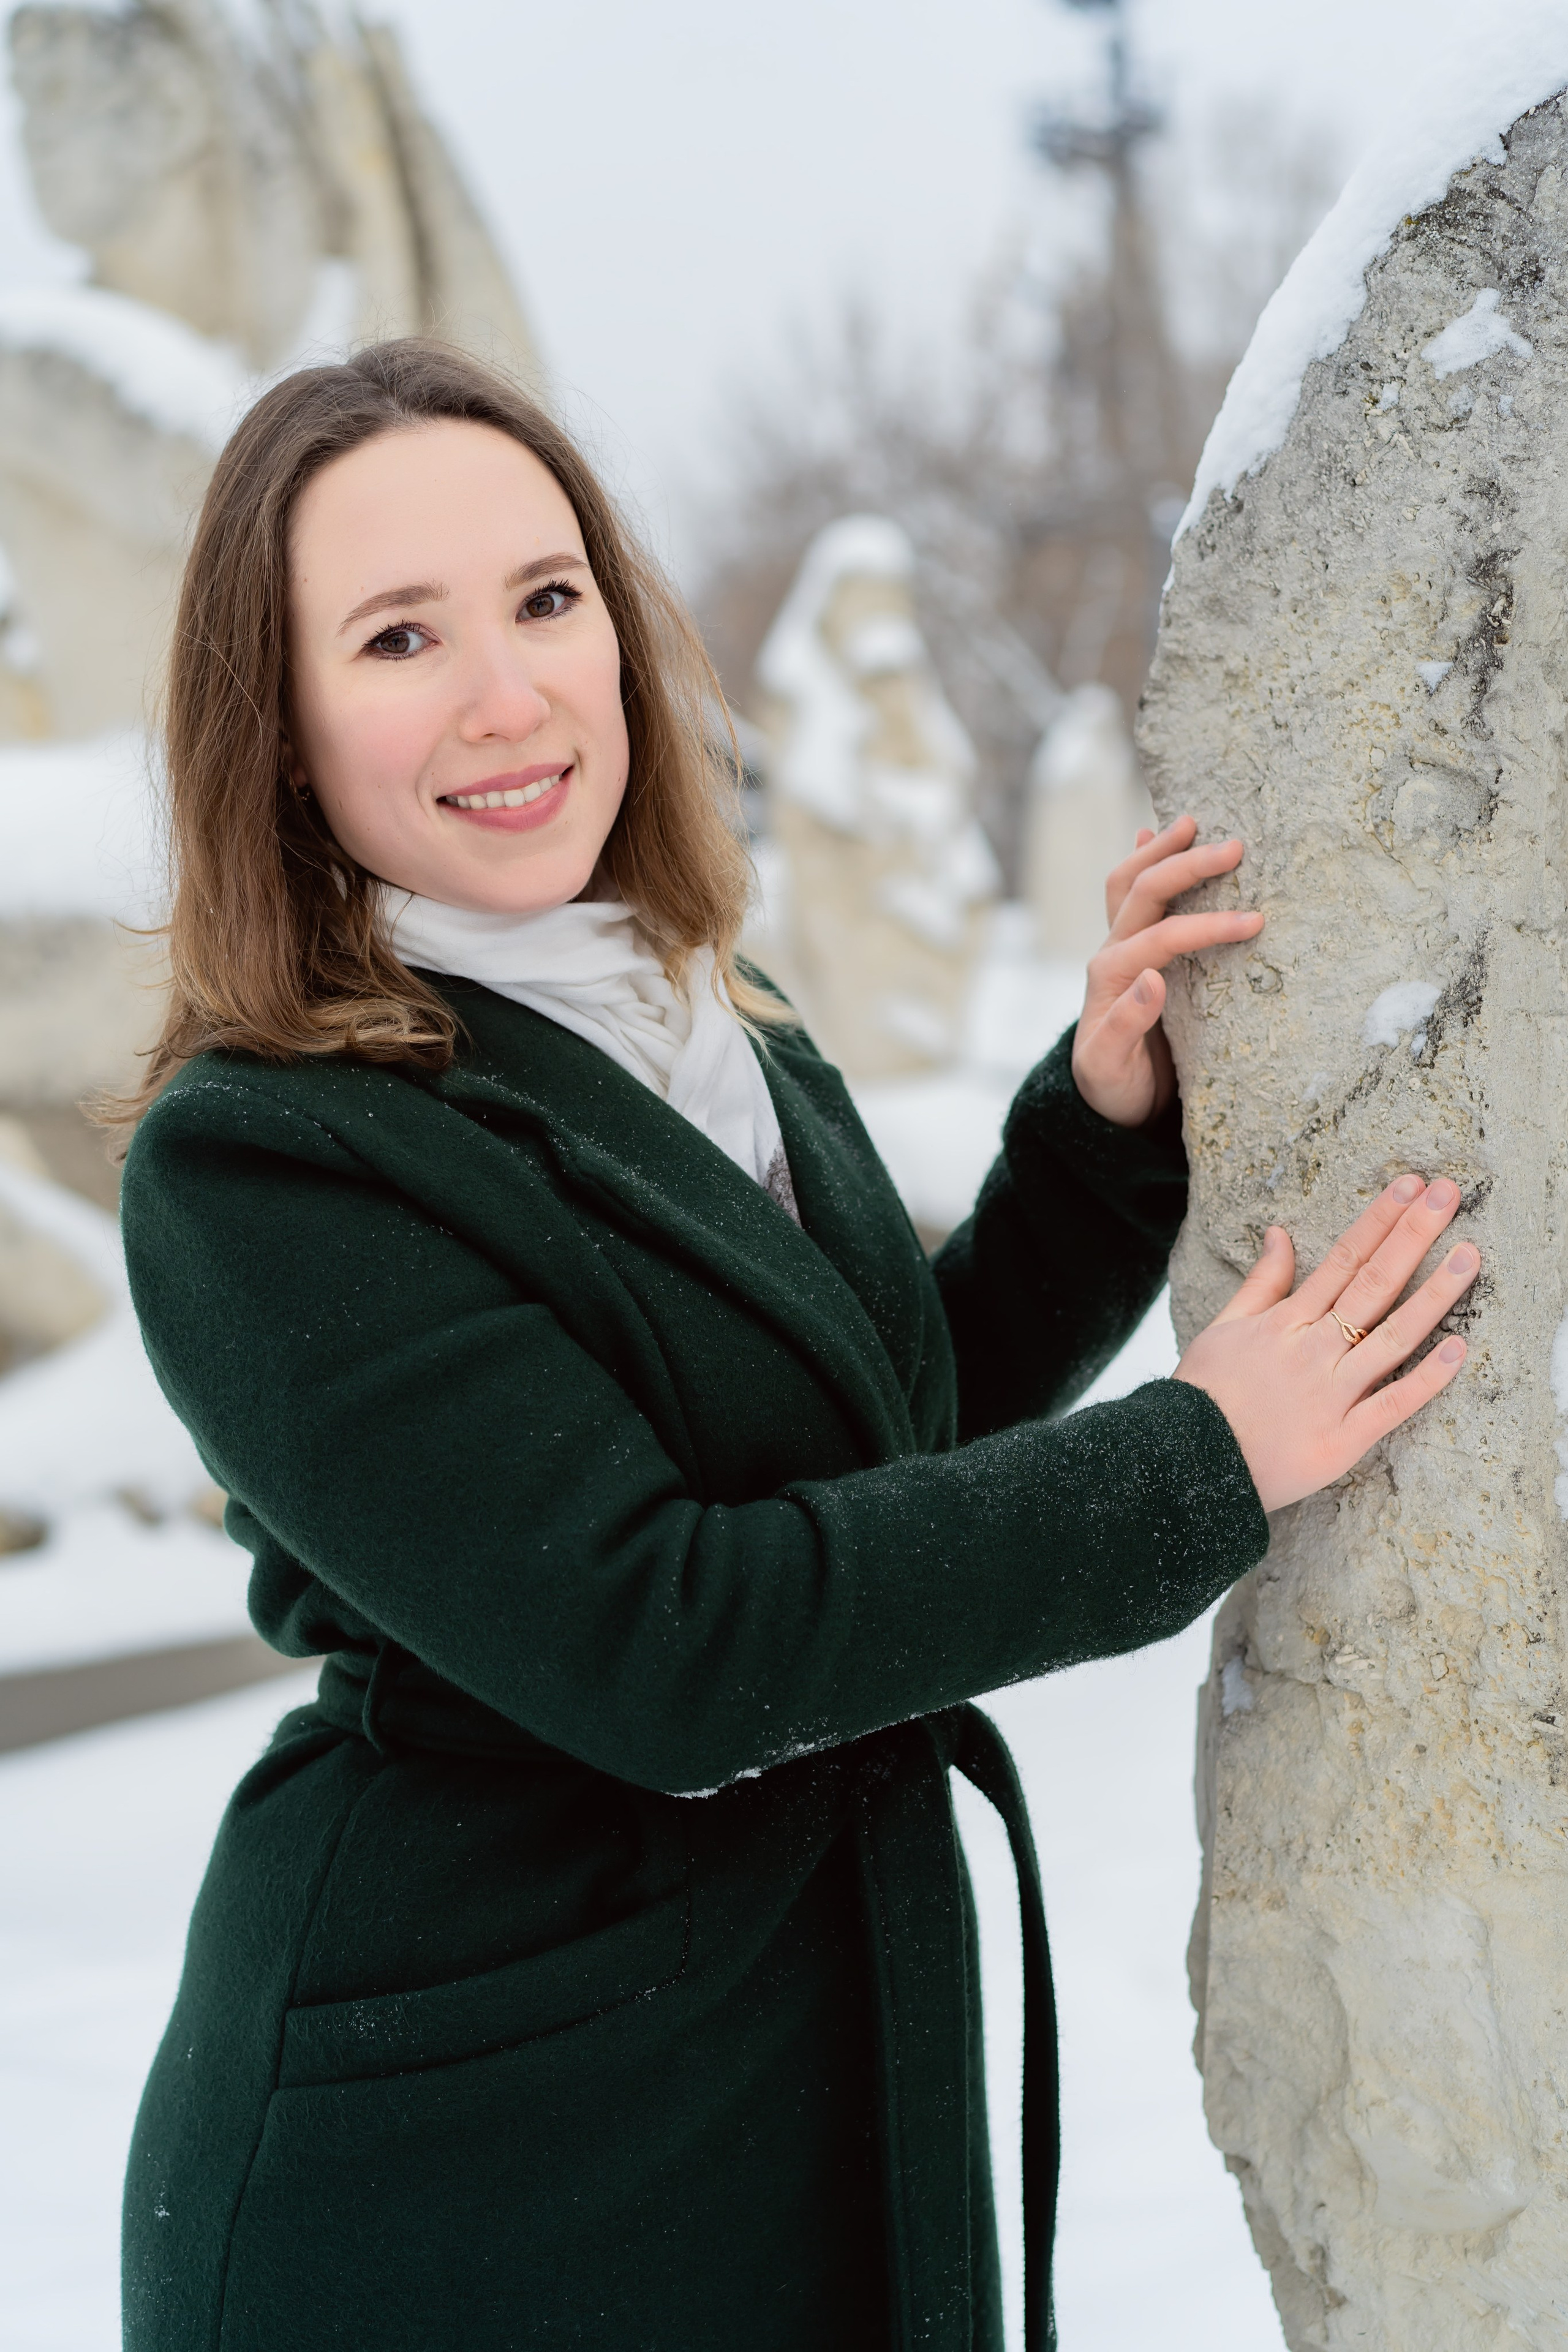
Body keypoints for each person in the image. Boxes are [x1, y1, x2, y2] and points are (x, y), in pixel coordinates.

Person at [113, 340, 1478, 2352]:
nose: (509, 695)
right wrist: (1201, 1463)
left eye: (546, 598)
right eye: (399, 636)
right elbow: (677, 1643)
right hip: (483, 2157)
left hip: (788, 2045)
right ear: (283, 725)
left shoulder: (684, 1008)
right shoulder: (260, 1163)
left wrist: (1102, 1127)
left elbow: (870, 1434)